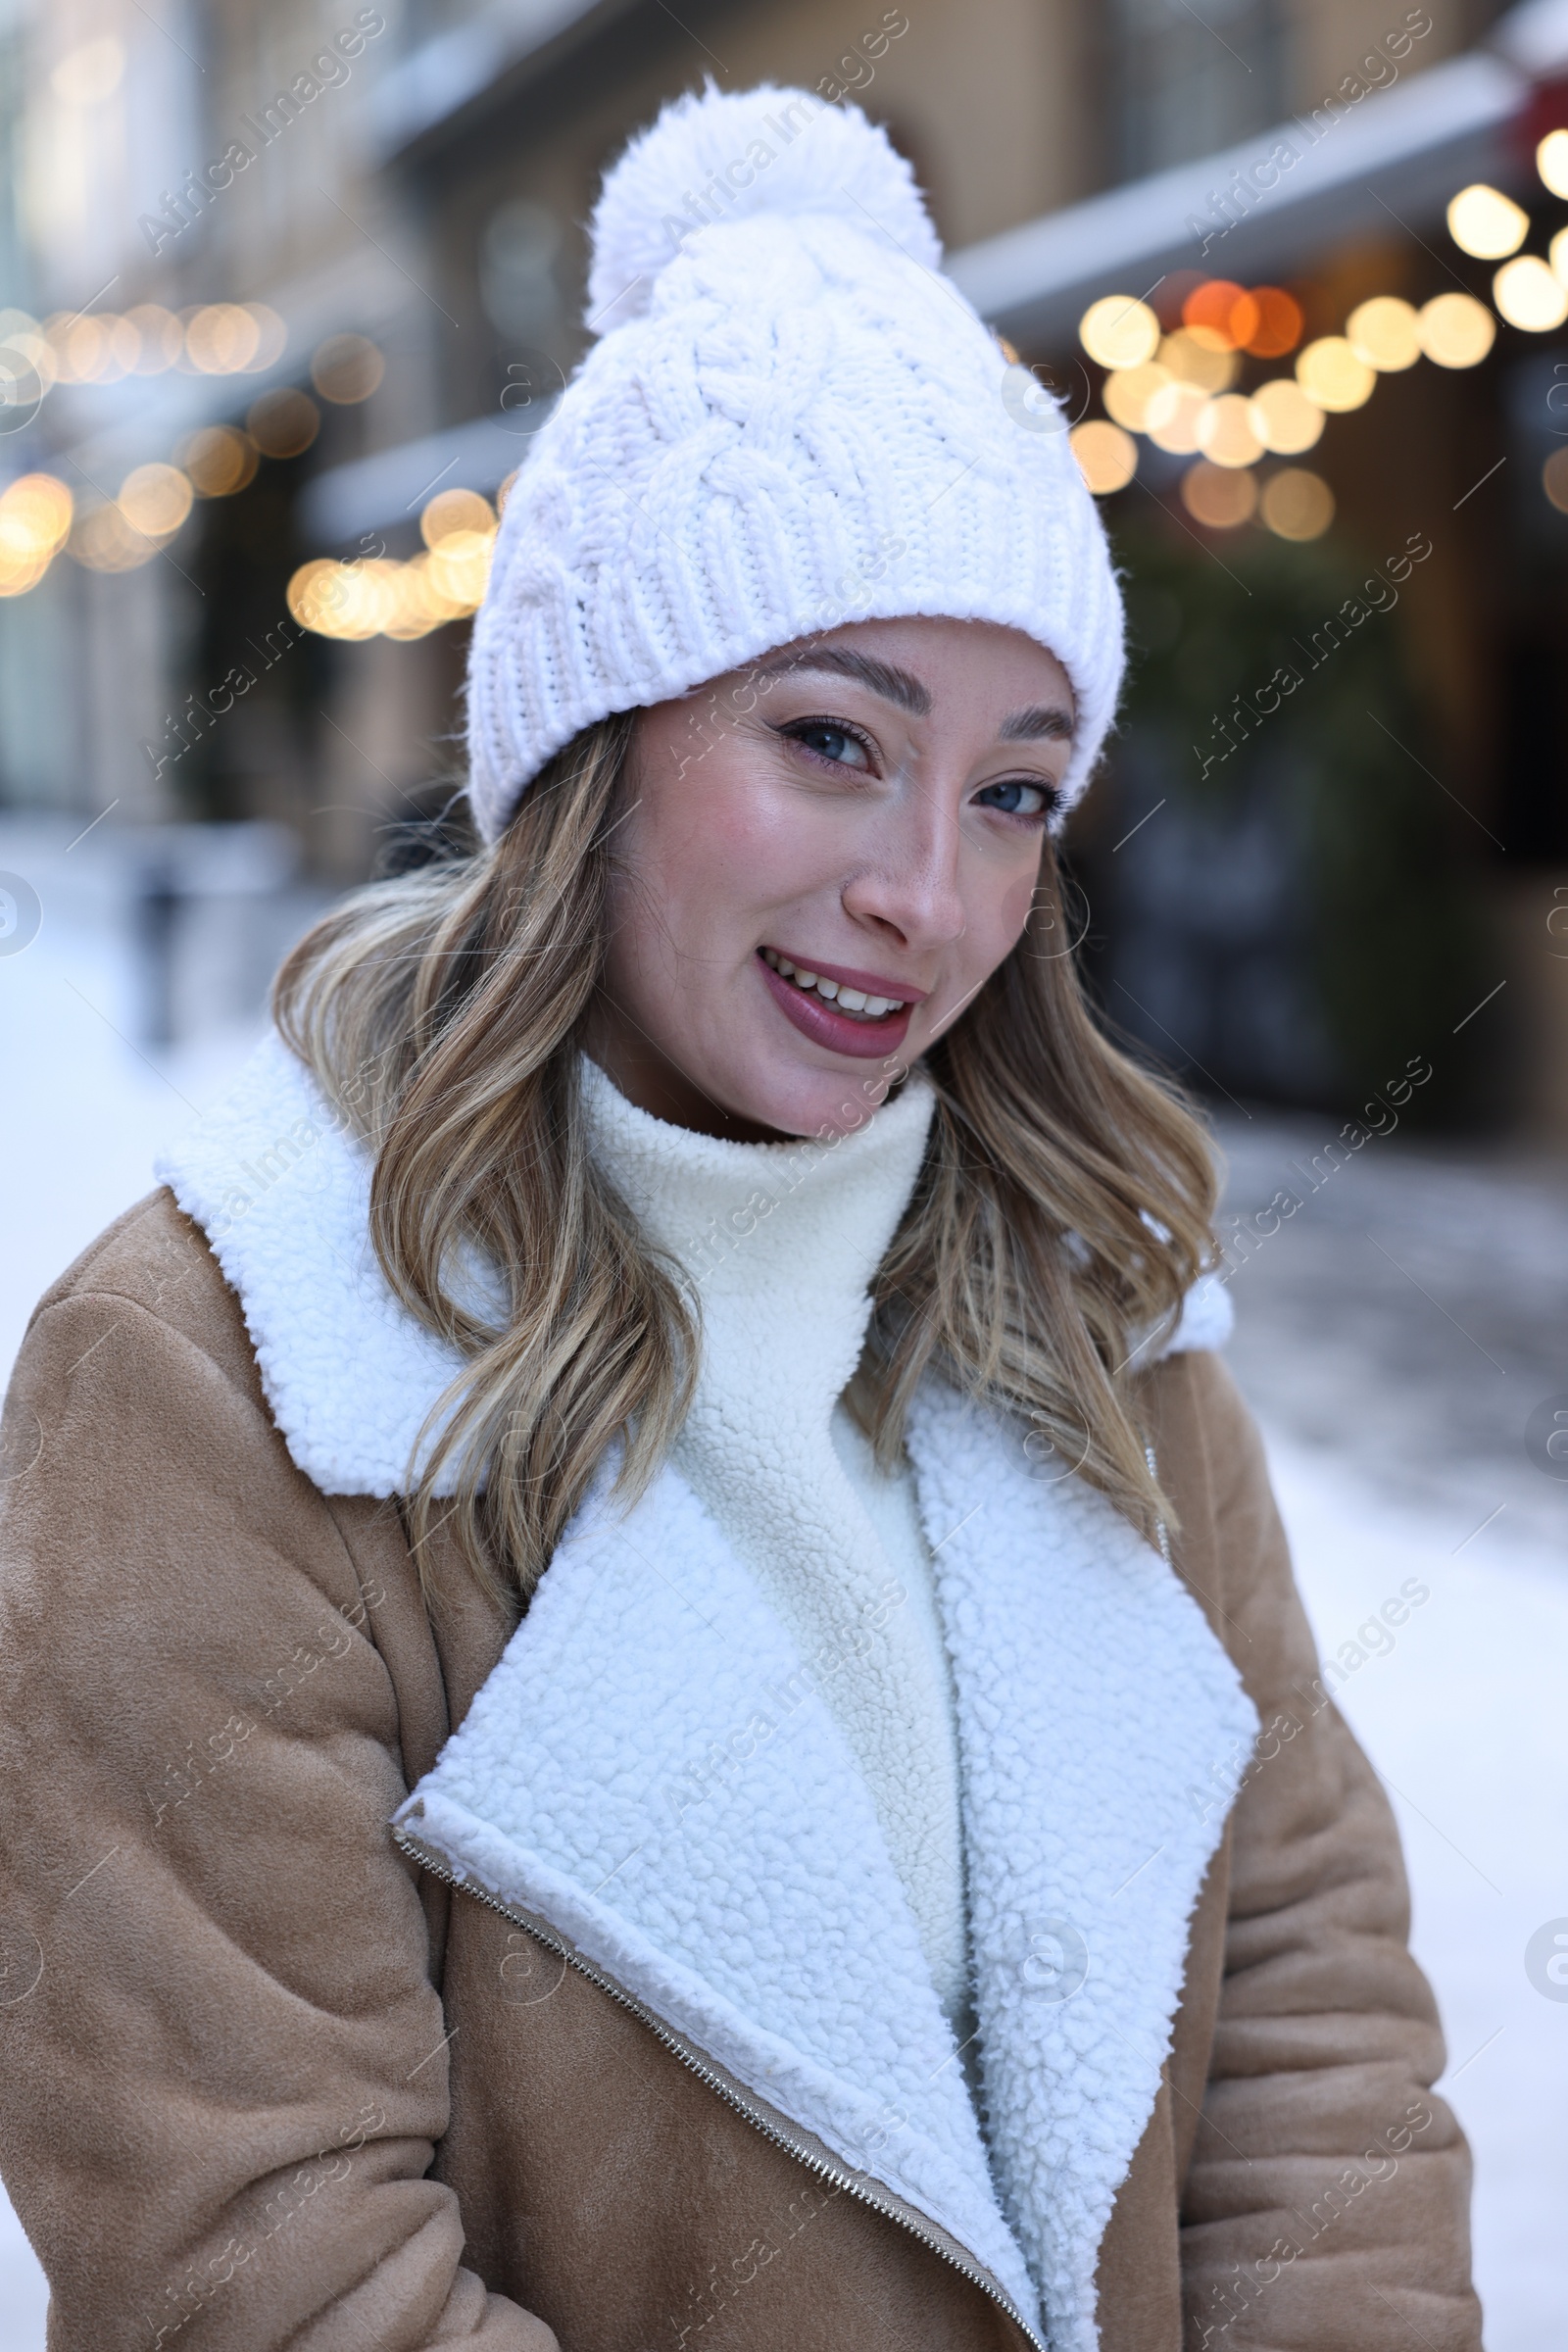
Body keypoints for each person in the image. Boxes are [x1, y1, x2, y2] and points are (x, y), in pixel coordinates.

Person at [0, 82, 1480, 2352]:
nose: (926, 896)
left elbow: (1312, 2034)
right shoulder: (219, 1376)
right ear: (592, 743)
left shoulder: (1100, 1315)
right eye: (827, 739)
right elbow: (258, 2262)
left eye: (1010, 791)